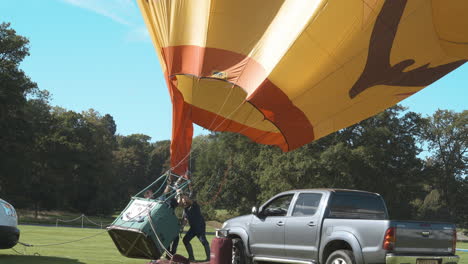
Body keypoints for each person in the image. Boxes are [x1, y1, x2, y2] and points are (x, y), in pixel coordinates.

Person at [179, 194, 210, 262]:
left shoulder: (194, 204)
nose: (183, 201)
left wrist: (181, 194)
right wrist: (181, 227)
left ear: (188, 198)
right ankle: (191, 258)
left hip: (200, 226)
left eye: (184, 199)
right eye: (182, 199)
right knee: (185, 240)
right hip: (193, 228)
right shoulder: (185, 210)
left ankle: (209, 258)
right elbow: (185, 220)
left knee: (203, 241)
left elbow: (189, 200)